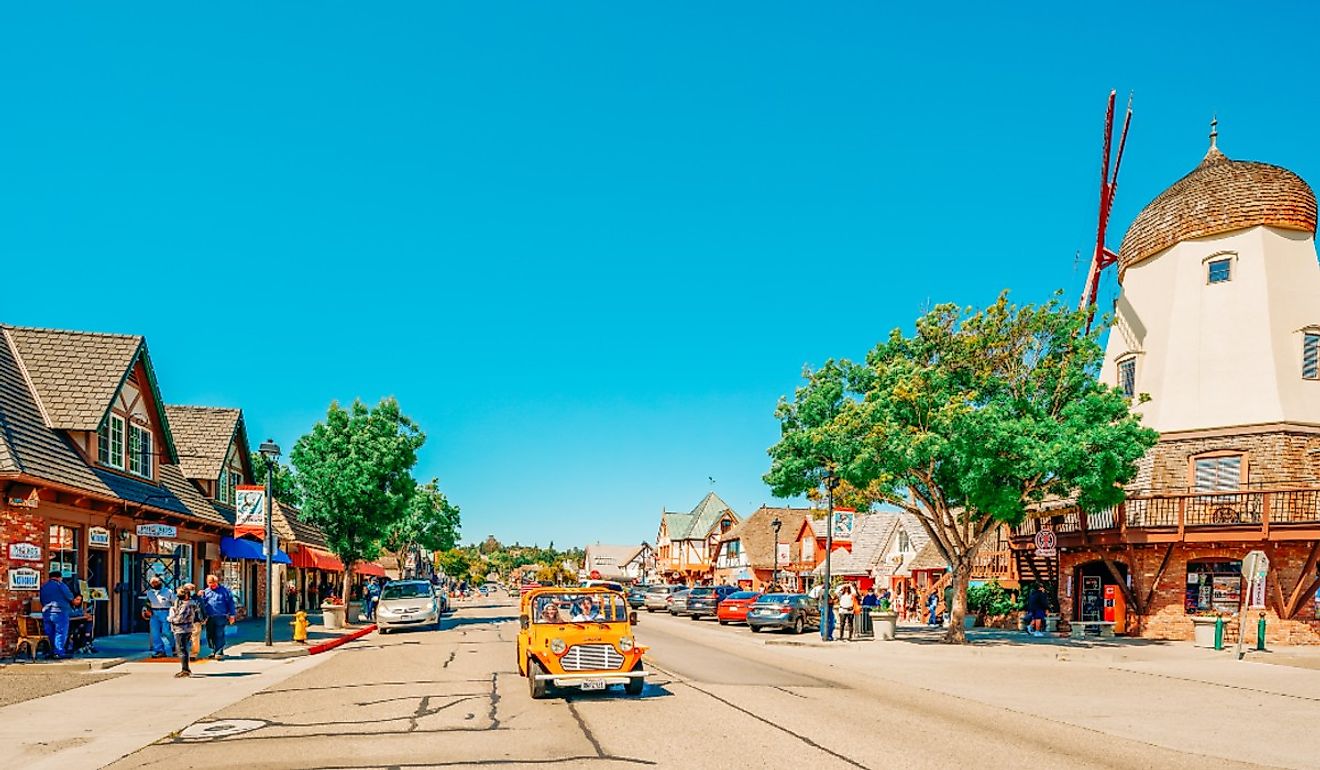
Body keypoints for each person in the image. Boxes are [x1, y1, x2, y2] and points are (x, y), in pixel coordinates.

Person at [39, 571, 75, 660]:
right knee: (60, 632)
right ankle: (58, 652)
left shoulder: (44, 586)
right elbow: (70, 596)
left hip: (47, 612)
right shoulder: (60, 585)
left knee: (50, 633)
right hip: (59, 612)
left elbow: (41, 599)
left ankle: (51, 651)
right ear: (59, 577)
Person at [200, 574, 237, 659]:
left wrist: (232, 615)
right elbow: (201, 604)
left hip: (221, 616)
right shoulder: (206, 591)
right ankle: (213, 650)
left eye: (212, 583)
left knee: (219, 634)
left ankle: (219, 651)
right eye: (209, 583)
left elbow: (230, 603)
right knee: (210, 634)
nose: (211, 585)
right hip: (209, 617)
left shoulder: (224, 591)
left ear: (216, 582)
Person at [168, 585, 199, 678]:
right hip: (184, 628)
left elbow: (180, 618)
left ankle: (185, 670)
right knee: (182, 649)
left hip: (182, 629)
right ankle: (185, 669)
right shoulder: (184, 603)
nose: (178, 595)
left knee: (182, 649)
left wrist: (171, 619)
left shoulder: (187, 605)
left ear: (186, 594)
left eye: (181, 593)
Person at [145, 576, 174, 658]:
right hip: (154, 613)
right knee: (155, 633)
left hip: (165, 612)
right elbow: (147, 603)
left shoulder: (168, 591)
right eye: (152, 583)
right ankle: (159, 650)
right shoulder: (149, 593)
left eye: (156, 583)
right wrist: (146, 610)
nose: (154, 585)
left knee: (166, 631)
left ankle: (174, 646)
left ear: (160, 582)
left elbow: (174, 602)